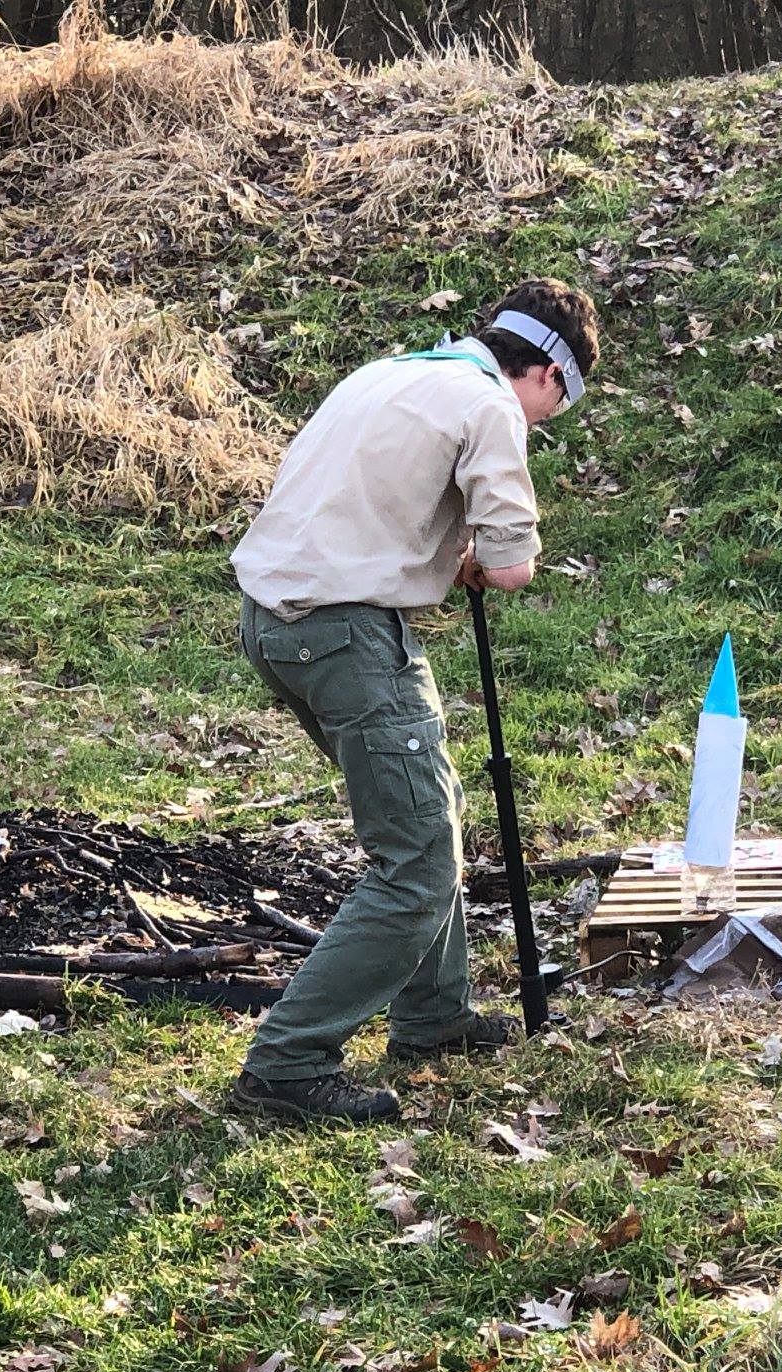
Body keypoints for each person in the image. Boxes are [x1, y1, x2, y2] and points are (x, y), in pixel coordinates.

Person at [226, 278, 601, 1125]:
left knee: (428, 818)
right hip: (348, 635)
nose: (542, 424)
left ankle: (433, 1018)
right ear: (544, 372)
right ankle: (288, 1059)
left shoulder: (389, 371)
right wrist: (482, 551)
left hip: (274, 625)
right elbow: (510, 568)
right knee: (419, 860)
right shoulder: (490, 405)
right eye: (555, 408)